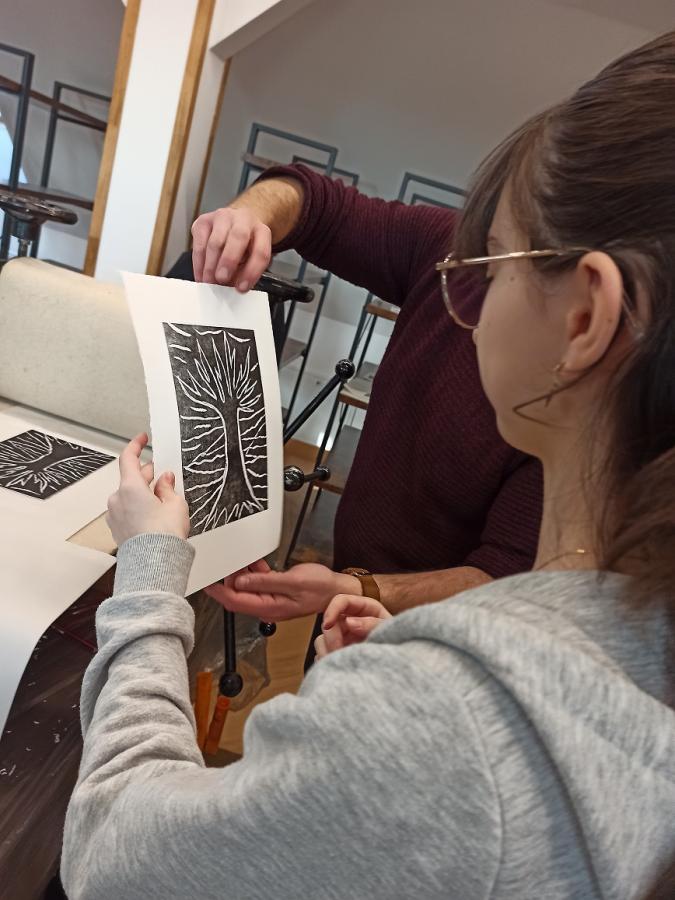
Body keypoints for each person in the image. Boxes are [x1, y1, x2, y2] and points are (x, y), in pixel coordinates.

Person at [61, 32, 675, 900]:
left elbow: (116, 852)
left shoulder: (451, 721)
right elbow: (311, 199)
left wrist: (151, 568)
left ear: (583, 318)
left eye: (490, 262)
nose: (461, 283)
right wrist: (254, 214)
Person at [190, 143, 544, 635]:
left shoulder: (569, 409)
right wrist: (248, 216)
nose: (474, 320)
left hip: (443, 637)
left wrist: (359, 590)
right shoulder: (454, 248)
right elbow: (314, 201)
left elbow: (505, 575)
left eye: (503, 264)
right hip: (352, 595)